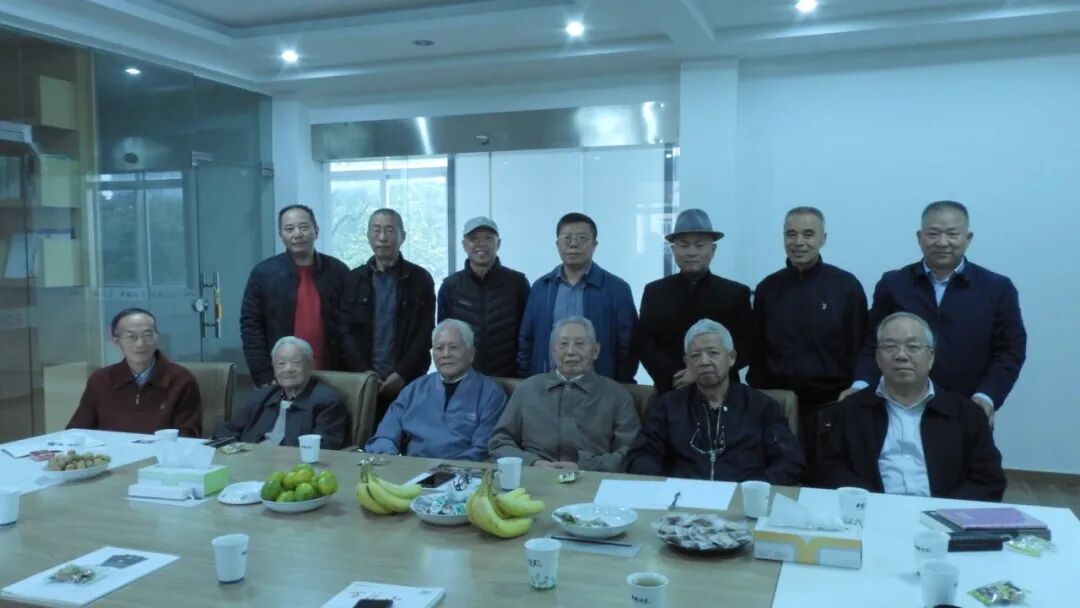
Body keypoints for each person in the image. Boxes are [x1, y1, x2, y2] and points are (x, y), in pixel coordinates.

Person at [840, 201, 1026, 425]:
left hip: (967, 408)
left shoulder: (997, 288)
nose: (942, 242)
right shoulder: (894, 284)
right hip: (896, 407)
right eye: (933, 234)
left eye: (952, 234)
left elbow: (1010, 350)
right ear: (920, 237)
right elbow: (874, 343)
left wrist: (986, 396)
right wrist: (860, 385)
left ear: (968, 238)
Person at [820, 313, 1005, 501]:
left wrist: (946, 509)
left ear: (931, 357)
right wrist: (871, 503)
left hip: (943, 513)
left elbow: (987, 480)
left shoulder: (966, 415)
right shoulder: (849, 410)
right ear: (877, 357)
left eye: (913, 347)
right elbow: (829, 469)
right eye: (890, 346)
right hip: (871, 509)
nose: (901, 355)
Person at [747, 206, 867, 478]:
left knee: (826, 481)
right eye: (791, 234)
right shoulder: (768, 288)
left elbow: (859, 347)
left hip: (830, 408)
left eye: (808, 234)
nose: (798, 242)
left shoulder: (846, 286)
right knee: (780, 481)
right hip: (777, 409)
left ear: (823, 238)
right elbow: (757, 350)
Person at [625, 319, 803, 483]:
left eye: (713, 353)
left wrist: (756, 490)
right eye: (695, 355)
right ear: (687, 362)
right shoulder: (668, 406)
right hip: (682, 498)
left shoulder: (762, 406)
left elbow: (790, 461)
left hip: (743, 498)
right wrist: (663, 489)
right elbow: (641, 454)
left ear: (731, 358)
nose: (704, 362)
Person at [491, 316, 640, 472]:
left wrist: (586, 466)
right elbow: (499, 443)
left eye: (579, 344)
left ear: (595, 351)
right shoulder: (528, 389)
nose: (571, 352)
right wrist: (532, 463)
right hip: (533, 476)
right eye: (563, 344)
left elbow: (631, 450)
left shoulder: (617, 395)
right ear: (553, 351)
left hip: (591, 478)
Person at [634, 208, 753, 394]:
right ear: (673, 250)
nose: (691, 252)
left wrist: (699, 374)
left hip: (725, 392)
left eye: (699, 245)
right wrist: (676, 375)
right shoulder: (655, 292)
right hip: (671, 389)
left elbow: (746, 346)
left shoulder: (736, 294)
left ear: (713, 250)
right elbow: (645, 344)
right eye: (683, 245)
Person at [337, 208, 436, 422]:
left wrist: (402, 374)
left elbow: (426, 332)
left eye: (389, 231)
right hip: (363, 380)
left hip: (408, 380)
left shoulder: (420, 279)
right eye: (376, 230)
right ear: (368, 236)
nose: (382, 237)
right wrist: (365, 373)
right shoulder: (353, 280)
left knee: (410, 435)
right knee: (364, 435)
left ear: (402, 236)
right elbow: (343, 332)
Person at [517, 212, 638, 382]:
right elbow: (526, 341)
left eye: (582, 238)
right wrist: (527, 382)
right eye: (567, 238)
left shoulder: (617, 289)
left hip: (598, 387)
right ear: (557, 244)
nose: (574, 244)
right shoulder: (541, 288)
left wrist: (618, 385)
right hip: (547, 385)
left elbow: (628, 346)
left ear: (594, 245)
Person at [364, 319, 508, 460]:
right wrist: (388, 455)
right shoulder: (414, 389)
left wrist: (448, 470)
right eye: (439, 348)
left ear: (471, 353)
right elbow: (385, 434)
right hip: (411, 468)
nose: (446, 354)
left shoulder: (491, 394)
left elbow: (483, 448)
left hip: (463, 471)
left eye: (454, 347)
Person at [240, 204, 349, 387]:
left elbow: (351, 326)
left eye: (304, 227)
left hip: (333, 372)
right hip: (281, 375)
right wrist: (263, 375)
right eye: (289, 229)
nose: (297, 234)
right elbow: (251, 327)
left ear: (316, 231)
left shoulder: (338, 271)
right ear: (281, 235)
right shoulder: (263, 274)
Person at [68, 308, 202, 437]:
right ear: (116, 340)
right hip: (110, 452)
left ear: (157, 337)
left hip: (163, 452)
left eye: (147, 335)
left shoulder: (182, 380)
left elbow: (189, 435)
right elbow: (76, 430)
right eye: (131, 336)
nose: (140, 344)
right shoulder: (100, 380)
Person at [214, 337, 348, 449]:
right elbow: (227, 430)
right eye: (281, 364)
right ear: (273, 368)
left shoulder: (327, 401)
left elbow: (325, 447)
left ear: (311, 364)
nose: (288, 369)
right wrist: (236, 449)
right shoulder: (261, 397)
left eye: (296, 363)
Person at [437, 217, 530, 377]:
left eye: (488, 238)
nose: (481, 244)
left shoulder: (518, 283)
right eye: (474, 239)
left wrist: (524, 376)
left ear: (498, 243)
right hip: (464, 378)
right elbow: (443, 337)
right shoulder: (450, 286)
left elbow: (528, 334)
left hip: (510, 378)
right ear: (464, 245)